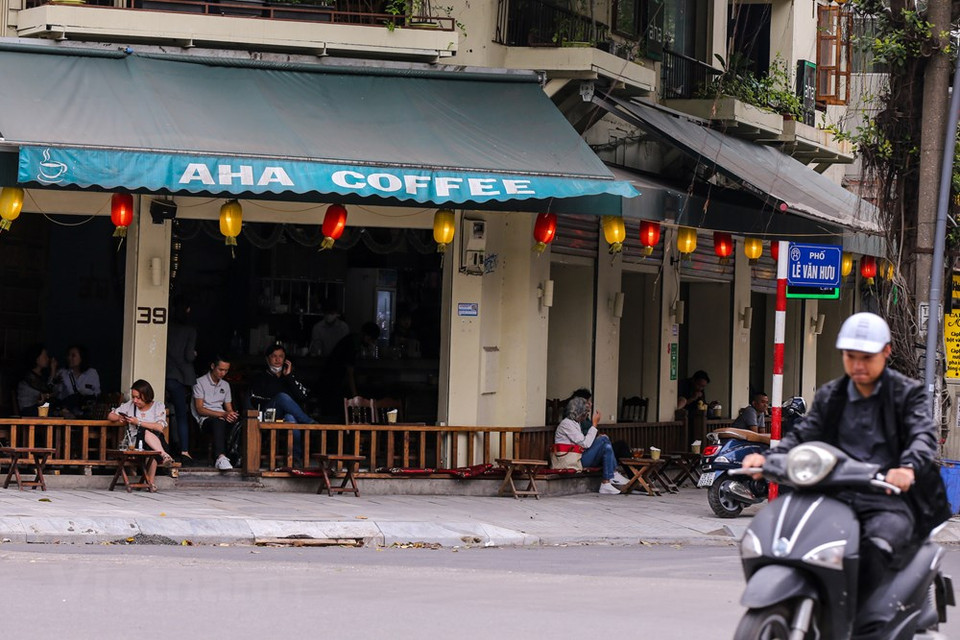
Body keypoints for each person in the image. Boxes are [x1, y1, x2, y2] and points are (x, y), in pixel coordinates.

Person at [742, 312, 949, 600]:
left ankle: (870, 613)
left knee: (875, 549)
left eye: (866, 357)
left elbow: (922, 436)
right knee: (787, 539)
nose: (858, 365)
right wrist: (770, 458)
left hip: (890, 498)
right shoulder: (831, 395)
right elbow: (804, 434)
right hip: (835, 495)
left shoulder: (908, 394)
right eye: (851, 356)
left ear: (886, 351)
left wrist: (907, 468)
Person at [250, 343, 313, 462]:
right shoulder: (260, 377)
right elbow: (255, 399)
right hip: (267, 414)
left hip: (285, 416)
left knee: (291, 419)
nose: (278, 359)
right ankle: (309, 422)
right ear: (267, 359)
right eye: (274, 356)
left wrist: (289, 377)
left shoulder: (290, 377)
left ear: (285, 360)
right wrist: (277, 401)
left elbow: (303, 397)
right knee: (282, 397)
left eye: (281, 356)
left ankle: (295, 459)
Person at [108, 379, 174, 492]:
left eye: (138, 398)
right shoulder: (130, 405)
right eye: (133, 397)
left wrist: (138, 422)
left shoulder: (157, 406)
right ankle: (163, 458)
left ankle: (152, 478)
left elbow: (159, 427)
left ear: (147, 396)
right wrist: (120, 417)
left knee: (149, 436)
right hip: (136, 443)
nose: (135, 400)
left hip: (156, 442)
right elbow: (110, 415)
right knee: (146, 436)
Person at [554, 396, 629, 494]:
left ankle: (606, 482)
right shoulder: (566, 424)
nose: (587, 415)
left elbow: (583, 442)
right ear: (580, 412)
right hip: (572, 461)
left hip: (578, 457)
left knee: (606, 445)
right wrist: (594, 425)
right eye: (586, 413)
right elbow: (585, 444)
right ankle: (613, 474)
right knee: (604, 440)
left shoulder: (575, 423)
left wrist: (596, 438)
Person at [191, 356, 239, 471]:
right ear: (213, 366)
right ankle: (220, 457)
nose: (223, 373)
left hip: (222, 417)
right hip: (205, 419)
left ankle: (237, 456)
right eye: (220, 369)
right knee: (219, 422)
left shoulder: (225, 385)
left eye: (226, 370)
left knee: (241, 423)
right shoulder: (199, 382)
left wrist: (231, 414)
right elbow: (200, 409)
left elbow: (229, 408)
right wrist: (223, 415)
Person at [165, 299, 198, 462]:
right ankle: (184, 450)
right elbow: (188, 356)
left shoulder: (166, 327)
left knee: (162, 412)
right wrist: (195, 354)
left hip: (165, 374)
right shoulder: (190, 330)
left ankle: (165, 447)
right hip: (180, 377)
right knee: (181, 415)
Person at [55, 344, 101, 418]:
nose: (69, 358)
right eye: (68, 355)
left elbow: (97, 393)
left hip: (86, 412)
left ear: (82, 357)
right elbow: (56, 394)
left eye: (73, 355)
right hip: (67, 413)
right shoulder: (62, 373)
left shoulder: (92, 373)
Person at [16, 343, 58, 417]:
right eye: (45, 356)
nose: (47, 359)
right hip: (29, 410)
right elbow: (47, 391)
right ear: (36, 358)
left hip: (41, 408)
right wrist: (53, 372)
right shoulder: (29, 377)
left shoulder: (42, 375)